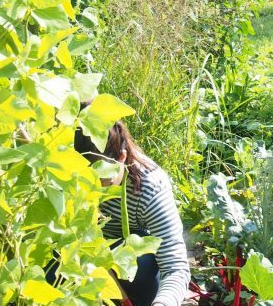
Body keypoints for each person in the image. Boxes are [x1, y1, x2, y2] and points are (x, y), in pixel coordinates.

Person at [73, 118, 190, 306]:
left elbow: (175, 269)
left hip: (121, 261)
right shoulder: (61, 174)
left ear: (122, 157)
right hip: (75, 253)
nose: (94, 191)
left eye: (103, 181)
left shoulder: (150, 189)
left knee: (141, 263)